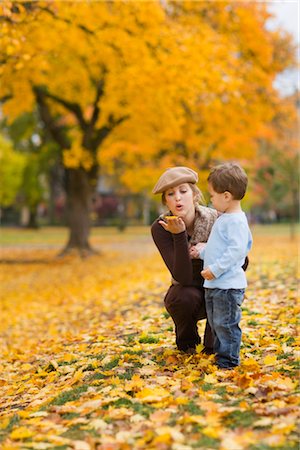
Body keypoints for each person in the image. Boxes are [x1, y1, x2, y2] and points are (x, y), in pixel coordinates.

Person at [151, 166, 219, 355]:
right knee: (182, 298)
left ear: (194, 195)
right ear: (166, 201)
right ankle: (187, 340)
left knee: (224, 292)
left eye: (183, 191)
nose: (178, 198)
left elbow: (242, 261)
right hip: (187, 289)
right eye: (171, 194)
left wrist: (210, 250)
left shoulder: (216, 219)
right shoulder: (160, 227)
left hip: (218, 285)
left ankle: (214, 342)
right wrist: (179, 235)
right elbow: (182, 277)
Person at [193, 162, 253, 369]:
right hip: (216, 285)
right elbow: (219, 247)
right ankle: (221, 355)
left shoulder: (235, 221)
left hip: (226, 285)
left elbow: (236, 251)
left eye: (212, 195)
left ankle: (228, 361)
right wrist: (201, 252)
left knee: (225, 325)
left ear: (226, 196)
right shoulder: (226, 218)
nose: (210, 200)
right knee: (216, 324)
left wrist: (215, 269)